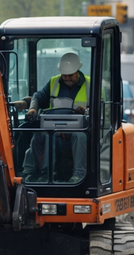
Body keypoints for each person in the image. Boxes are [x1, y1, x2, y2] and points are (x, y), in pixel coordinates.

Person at [25, 52, 90, 183]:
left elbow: (102, 108)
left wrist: (87, 111)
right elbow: (38, 96)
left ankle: (78, 175)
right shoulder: (54, 82)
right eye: (64, 75)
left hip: (79, 130)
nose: (67, 78)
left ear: (77, 71)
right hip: (55, 130)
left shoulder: (91, 85)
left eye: (70, 75)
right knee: (40, 135)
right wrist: (33, 108)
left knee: (80, 136)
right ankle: (43, 174)